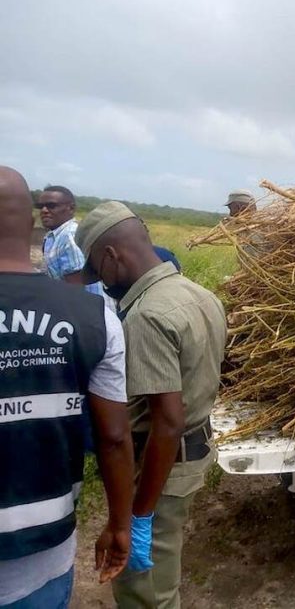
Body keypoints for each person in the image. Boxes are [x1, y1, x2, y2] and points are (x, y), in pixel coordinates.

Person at [75, 201, 227, 609]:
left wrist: (135, 519)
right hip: (189, 459)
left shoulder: (147, 316)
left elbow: (167, 422)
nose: (101, 282)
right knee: (159, 580)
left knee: (146, 594)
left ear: (111, 256)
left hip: (160, 473)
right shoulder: (200, 294)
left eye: (97, 270)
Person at [0, 167, 135, 608]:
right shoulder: (95, 317)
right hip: (44, 554)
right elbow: (114, 437)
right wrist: (120, 522)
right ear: (32, 226)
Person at [37, 185, 110, 302]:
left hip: (86, 311)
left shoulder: (70, 236)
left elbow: (76, 289)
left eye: (51, 206)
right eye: (40, 206)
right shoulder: (54, 236)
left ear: (71, 208)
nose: (44, 210)